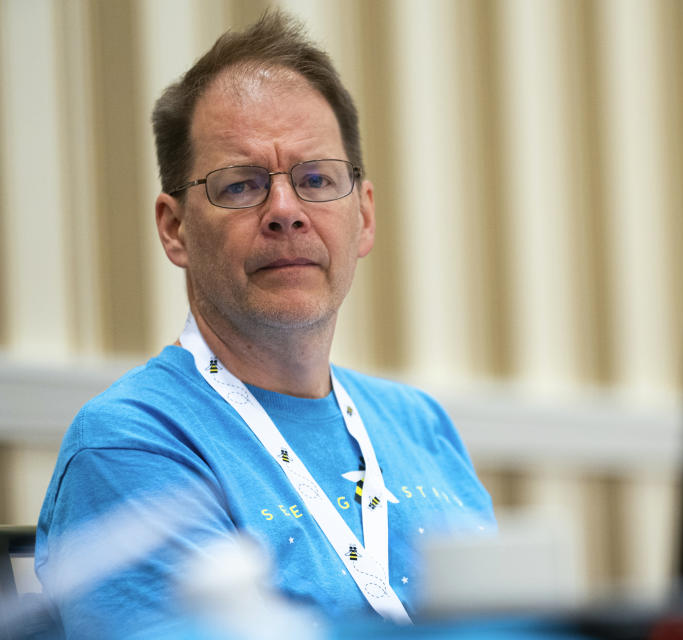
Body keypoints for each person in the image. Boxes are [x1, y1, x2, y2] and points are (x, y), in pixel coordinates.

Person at [34, 10, 495, 638]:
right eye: (241, 185)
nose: (286, 212)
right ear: (175, 229)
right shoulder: (130, 446)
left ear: (362, 216)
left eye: (315, 180)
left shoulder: (421, 424)